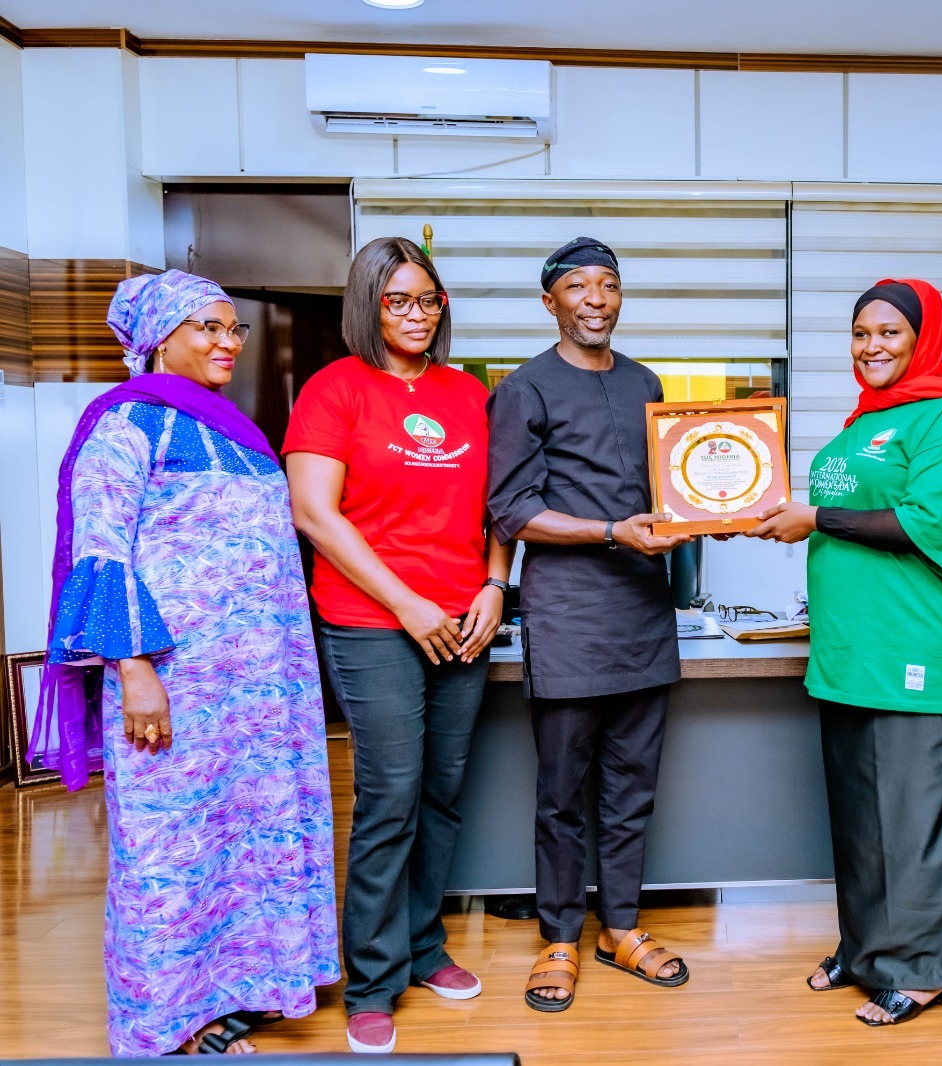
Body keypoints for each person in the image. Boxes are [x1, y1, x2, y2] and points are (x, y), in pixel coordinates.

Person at [35, 269, 339, 1056]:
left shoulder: (238, 432)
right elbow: (101, 552)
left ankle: (245, 987)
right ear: (159, 338)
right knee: (173, 849)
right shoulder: (127, 424)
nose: (228, 342)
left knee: (253, 832)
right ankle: (168, 1019)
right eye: (208, 327)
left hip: (261, 687)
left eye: (234, 328)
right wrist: (134, 671)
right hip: (176, 684)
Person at [747, 279, 942, 1026]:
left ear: (922, 337)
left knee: (921, 819)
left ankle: (928, 967)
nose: (872, 346)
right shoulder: (863, 420)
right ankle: (865, 949)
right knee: (864, 817)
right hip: (852, 652)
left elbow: (929, 525)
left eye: (889, 332)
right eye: (861, 333)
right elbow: (840, 512)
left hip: (923, 647)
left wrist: (813, 517)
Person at [284, 237, 513, 1055]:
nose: (417, 315)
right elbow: (315, 514)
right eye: (399, 301)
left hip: (462, 618)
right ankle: (373, 980)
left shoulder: (469, 392)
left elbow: (501, 505)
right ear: (369, 305)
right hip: (372, 620)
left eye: (429, 300)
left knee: (442, 793)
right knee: (390, 795)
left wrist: (496, 585)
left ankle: (422, 946)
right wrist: (409, 604)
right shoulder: (334, 389)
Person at [487, 236, 692, 1013]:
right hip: (569, 616)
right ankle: (559, 937)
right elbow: (514, 510)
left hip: (643, 612)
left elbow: (670, 486)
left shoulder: (646, 382)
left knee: (633, 787)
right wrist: (611, 532)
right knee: (564, 795)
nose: (596, 299)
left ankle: (623, 928)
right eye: (578, 287)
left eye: (608, 284)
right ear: (551, 303)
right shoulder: (523, 389)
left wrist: (712, 508)